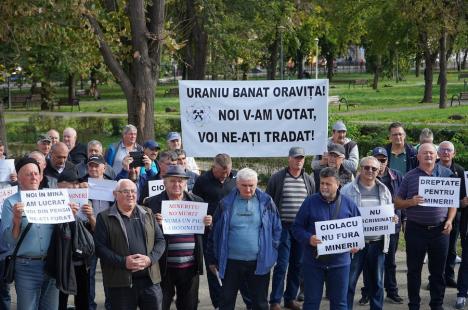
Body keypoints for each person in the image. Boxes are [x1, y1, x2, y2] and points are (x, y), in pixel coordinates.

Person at [208, 168, 282, 310]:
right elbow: (214, 233)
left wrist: (271, 253)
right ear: (237, 184)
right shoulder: (225, 203)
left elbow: (277, 229)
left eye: (251, 186)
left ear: (257, 184)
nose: (248, 190)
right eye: (244, 185)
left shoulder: (267, 202)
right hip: (230, 263)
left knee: (260, 303)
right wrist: (212, 259)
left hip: (259, 263)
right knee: (226, 301)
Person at [395, 143, 456, 310]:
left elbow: (453, 203)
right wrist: (411, 202)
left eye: (431, 153)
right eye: (424, 153)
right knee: (414, 271)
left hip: (440, 230)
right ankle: (414, 305)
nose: (428, 155)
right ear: (418, 157)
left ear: (436, 156)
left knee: (438, 272)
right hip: (416, 230)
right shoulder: (410, 176)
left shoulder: (447, 174)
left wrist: (450, 220)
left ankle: (437, 305)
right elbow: (397, 202)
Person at [292, 167, 360, 310]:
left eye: (328, 184)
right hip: (313, 262)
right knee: (311, 303)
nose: (323, 187)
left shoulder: (349, 204)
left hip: (340, 263)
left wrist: (356, 245)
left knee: (340, 303)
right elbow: (296, 228)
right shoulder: (309, 202)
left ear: (338, 184)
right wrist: (309, 238)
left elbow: (358, 231)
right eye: (322, 183)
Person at [147, 165, 212, 310]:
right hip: (163, 266)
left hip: (190, 266)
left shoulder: (197, 202)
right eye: (172, 181)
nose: (177, 184)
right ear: (164, 182)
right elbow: (145, 235)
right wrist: (154, 223)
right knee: (160, 305)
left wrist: (208, 224)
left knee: (189, 305)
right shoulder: (152, 203)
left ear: (185, 183)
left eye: (180, 181)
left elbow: (204, 234)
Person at [94, 179, 165, 310]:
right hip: (120, 284)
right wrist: (123, 262)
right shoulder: (104, 217)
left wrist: (150, 259)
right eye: (125, 191)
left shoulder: (148, 213)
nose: (130, 194)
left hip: (150, 281)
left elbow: (160, 240)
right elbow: (100, 248)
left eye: (133, 191)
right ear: (115, 194)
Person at [192, 154, 251, 309]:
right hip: (210, 234)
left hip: (233, 233)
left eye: (227, 172)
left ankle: (247, 302)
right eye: (221, 172)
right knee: (214, 269)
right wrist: (204, 218)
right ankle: (219, 304)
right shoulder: (202, 181)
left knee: (235, 270)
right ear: (214, 167)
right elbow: (194, 206)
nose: (225, 176)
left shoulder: (236, 179)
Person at [1, 157, 59, 309]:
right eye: (28, 174)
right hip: (26, 267)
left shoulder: (52, 199)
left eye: (36, 173)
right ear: (19, 179)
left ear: (41, 177)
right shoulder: (11, 202)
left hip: (51, 264)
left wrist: (69, 215)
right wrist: (16, 220)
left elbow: (62, 233)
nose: (33, 177)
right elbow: (10, 240)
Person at [341, 156, 394, 310]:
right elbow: (341, 215)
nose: (370, 171)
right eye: (366, 167)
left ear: (379, 171)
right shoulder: (347, 190)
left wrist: (392, 218)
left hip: (377, 244)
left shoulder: (384, 190)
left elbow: (388, 214)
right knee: (349, 283)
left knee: (377, 284)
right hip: (355, 246)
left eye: (374, 168)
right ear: (360, 169)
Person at [268, 147, 315, 310]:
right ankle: (275, 300)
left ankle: (290, 298)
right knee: (281, 264)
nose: (299, 160)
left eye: (302, 158)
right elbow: (269, 202)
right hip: (283, 227)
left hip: (301, 229)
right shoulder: (277, 178)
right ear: (289, 159)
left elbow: (312, 204)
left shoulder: (308, 179)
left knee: (298, 264)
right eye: (296, 158)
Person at [358, 147, 404, 305]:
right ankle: (366, 293)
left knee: (388, 263)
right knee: (364, 267)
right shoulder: (357, 184)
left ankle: (391, 291)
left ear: (386, 162)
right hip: (363, 237)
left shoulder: (395, 178)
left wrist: (398, 219)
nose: (378, 164)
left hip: (388, 230)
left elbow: (400, 201)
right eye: (376, 160)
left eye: (382, 160)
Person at [80, 155, 113, 310]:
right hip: (88, 234)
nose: (93, 169)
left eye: (96, 166)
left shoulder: (112, 185)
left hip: (109, 233)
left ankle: (111, 304)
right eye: (91, 166)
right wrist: (79, 191)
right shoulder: (81, 184)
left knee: (110, 272)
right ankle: (89, 306)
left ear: (104, 168)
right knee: (89, 274)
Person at [436, 141, 464, 290]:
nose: (446, 152)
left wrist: (462, 202)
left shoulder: (459, 170)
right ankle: (435, 278)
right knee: (436, 250)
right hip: (435, 216)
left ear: (454, 153)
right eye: (443, 150)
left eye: (449, 150)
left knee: (452, 248)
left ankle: (449, 277)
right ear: (438, 153)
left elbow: (463, 197)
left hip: (455, 216)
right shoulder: (430, 168)